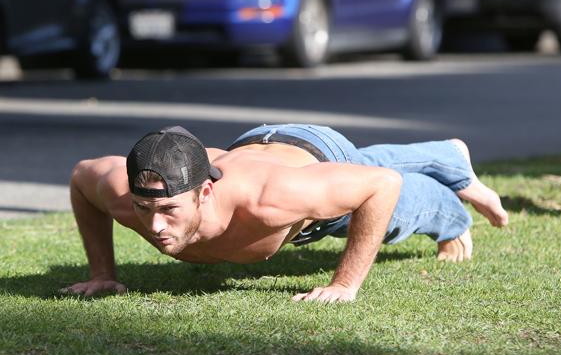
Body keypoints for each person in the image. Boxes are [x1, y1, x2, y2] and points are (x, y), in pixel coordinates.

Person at [63, 124, 508, 302]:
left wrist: (344, 284)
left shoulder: (273, 198)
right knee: (364, 169)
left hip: (314, 152)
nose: (154, 225)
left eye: (168, 210)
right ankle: (445, 153)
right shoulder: (126, 191)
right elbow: (83, 177)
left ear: (204, 192)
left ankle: (454, 189)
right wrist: (102, 272)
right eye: (144, 209)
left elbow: (382, 187)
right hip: (257, 144)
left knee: (399, 208)